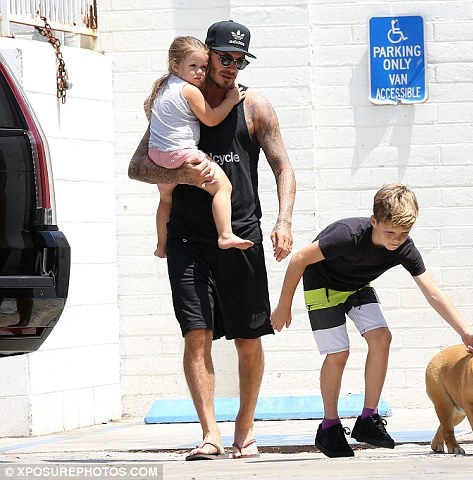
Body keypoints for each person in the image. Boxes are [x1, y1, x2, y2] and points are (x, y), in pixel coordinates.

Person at [128, 20, 296, 460]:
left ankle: (245, 429)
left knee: (248, 338)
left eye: (240, 61)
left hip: (242, 235)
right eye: (225, 58)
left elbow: (282, 165)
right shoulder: (178, 101)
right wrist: (185, 176)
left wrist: (284, 220)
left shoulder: (255, 106)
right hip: (187, 237)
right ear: (207, 54)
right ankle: (209, 433)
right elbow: (137, 167)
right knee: (196, 334)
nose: (231, 67)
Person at [270, 183, 473, 458]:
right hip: (322, 284)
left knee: (382, 338)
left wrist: (465, 332)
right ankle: (329, 427)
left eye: (404, 233)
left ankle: (367, 419)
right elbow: (299, 259)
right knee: (338, 352)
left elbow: (432, 292)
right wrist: (284, 305)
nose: (396, 240)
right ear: (374, 222)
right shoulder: (347, 235)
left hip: (357, 286)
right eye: (390, 232)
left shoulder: (404, 248)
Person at [146, 35, 251, 258]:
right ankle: (225, 234)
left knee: (166, 199)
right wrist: (231, 100)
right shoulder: (189, 90)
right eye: (193, 66)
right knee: (223, 188)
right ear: (175, 66)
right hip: (182, 154)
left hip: (157, 154)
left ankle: (161, 245)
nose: (200, 72)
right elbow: (211, 119)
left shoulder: (162, 87)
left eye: (203, 67)